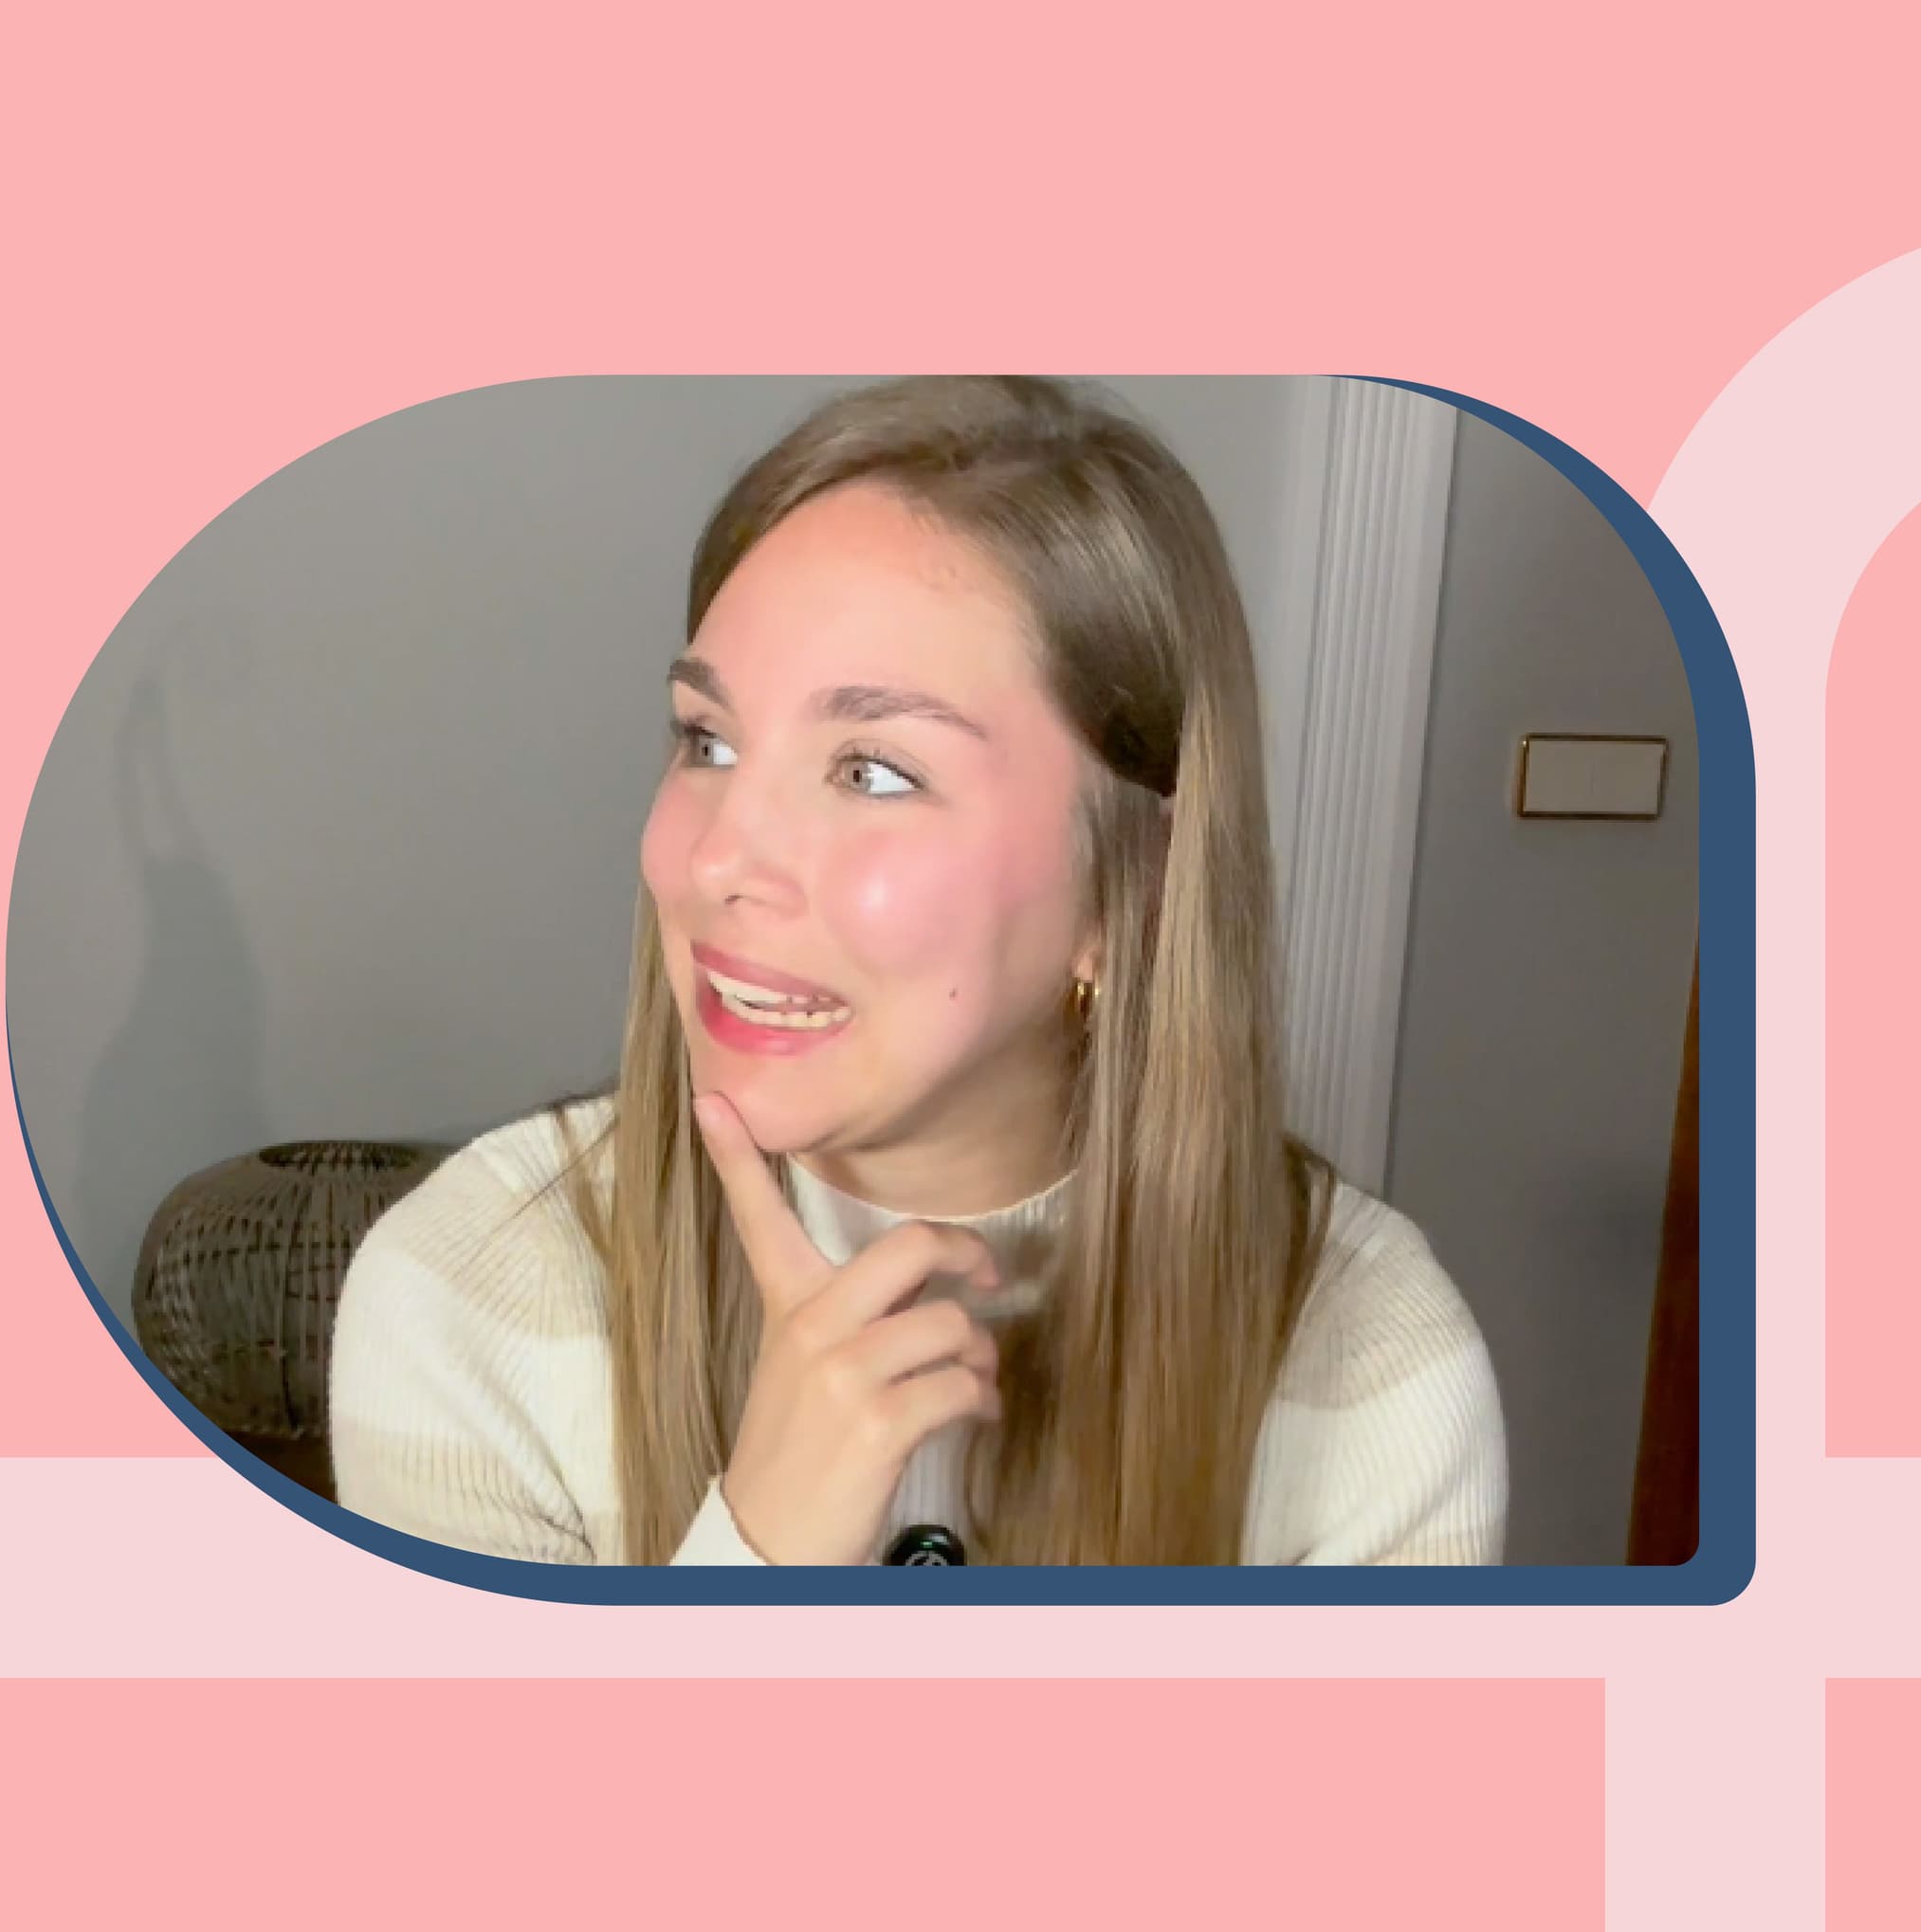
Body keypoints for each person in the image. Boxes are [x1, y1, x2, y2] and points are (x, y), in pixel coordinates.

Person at [328, 376, 1506, 1565]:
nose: (717, 859)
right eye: (707, 741)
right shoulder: (471, 1294)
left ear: (1129, 886)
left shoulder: (1369, 1361)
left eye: (872, 772)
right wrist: (760, 1549)